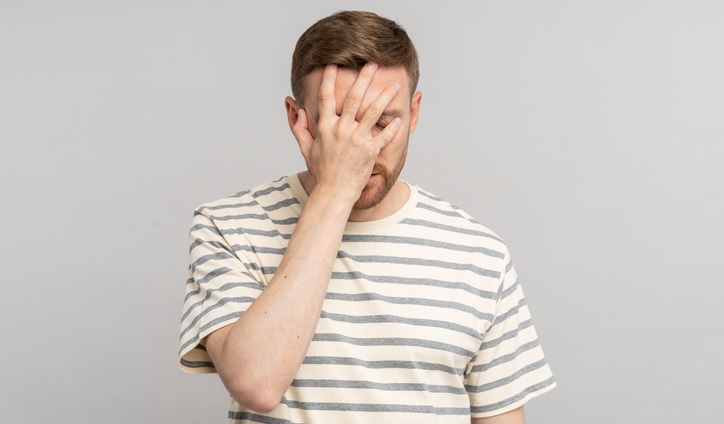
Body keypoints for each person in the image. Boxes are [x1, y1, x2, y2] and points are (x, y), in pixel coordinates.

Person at [179, 10, 555, 423]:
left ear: (414, 113)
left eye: (382, 122)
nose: (363, 148)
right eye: (340, 124)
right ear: (296, 118)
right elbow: (257, 383)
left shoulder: (481, 255)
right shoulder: (228, 227)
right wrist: (335, 190)